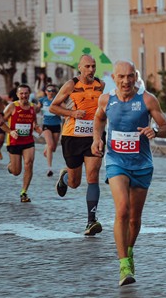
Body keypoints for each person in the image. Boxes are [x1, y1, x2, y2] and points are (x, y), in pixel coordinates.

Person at [92, 60, 166, 287]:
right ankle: (123, 264)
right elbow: (98, 119)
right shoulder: (106, 100)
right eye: (121, 77)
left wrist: (155, 130)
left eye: (130, 77)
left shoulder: (147, 99)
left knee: (135, 218)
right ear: (114, 78)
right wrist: (97, 138)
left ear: (135, 77)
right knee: (123, 209)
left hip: (142, 165)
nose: (126, 81)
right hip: (116, 161)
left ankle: (129, 250)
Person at [50, 54, 105, 236]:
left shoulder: (101, 85)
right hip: (72, 137)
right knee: (75, 183)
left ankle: (91, 221)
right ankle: (65, 178)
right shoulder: (71, 85)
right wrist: (72, 113)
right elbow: (53, 107)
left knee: (93, 175)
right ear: (80, 68)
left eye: (93, 66)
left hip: (93, 136)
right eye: (87, 66)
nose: (91, 70)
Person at [0, 84, 42, 202]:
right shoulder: (12, 107)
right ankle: (11, 166)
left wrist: (36, 127)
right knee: (16, 172)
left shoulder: (32, 107)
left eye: (26, 93)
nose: (24, 96)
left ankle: (24, 192)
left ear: (29, 94)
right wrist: (10, 132)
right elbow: (1, 122)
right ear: (17, 95)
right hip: (14, 142)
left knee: (29, 163)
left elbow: (34, 122)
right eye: (21, 93)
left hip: (28, 141)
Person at [39, 84, 62, 177]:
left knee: (53, 148)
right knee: (50, 144)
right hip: (46, 125)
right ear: (45, 91)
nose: (51, 92)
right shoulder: (42, 100)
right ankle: (49, 169)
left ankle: (46, 151)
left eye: (53, 91)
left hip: (56, 125)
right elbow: (36, 108)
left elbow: (64, 108)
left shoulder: (57, 100)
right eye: (49, 90)